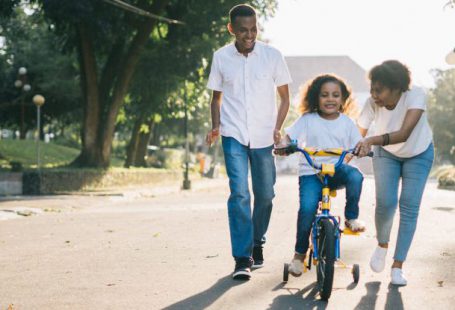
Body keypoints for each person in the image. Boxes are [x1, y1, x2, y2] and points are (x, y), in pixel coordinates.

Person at [205, 4, 292, 280]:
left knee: (265, 195)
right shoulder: (221, 57)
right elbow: (216, 98)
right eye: (243, 30)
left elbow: (285, 97)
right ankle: (242, 258)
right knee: (240, 194)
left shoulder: (272, 56)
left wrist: (278, 128)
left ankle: (258, 242)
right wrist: (216, 126)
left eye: (254, 29)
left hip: (265, 136)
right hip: (233, 135)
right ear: (231, 29)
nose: (249, 35)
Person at [276, 74, 365, 276]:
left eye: (335, 95)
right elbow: (289, 138)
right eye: (324, 95)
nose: (330, 99)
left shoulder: (347, 123)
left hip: (336, 170)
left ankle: (351, 217)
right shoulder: (308, 119)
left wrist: (362, 148)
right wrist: (283, 145)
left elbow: (358, 143)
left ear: (343, 100)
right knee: (307, 209)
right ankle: (299, 255)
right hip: (311, 172)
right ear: (316, 98)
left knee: (356, 176)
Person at [356, 60, 434, 286]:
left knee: (409, 207)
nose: (373, 94)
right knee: (386, 203)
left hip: (418, 152)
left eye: (379, 90)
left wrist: (370, 140)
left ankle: (398, 266)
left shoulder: (415, 95)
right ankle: (382, 245)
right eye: (372, 88)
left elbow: (404, 134)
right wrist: (348, 154)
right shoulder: (372, 103)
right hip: (386, 154)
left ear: (397, 87)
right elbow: (357, 134)